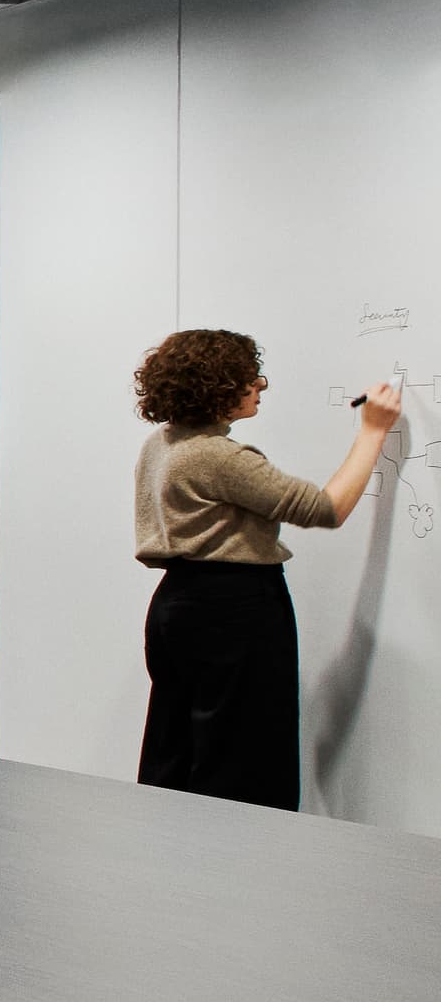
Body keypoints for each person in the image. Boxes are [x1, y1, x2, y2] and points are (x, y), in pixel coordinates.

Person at [130, 330, 405, 808]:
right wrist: (373, 431)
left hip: (178, 604)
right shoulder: (218, 457)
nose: (260, 384)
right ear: (216, 387)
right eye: (247, 377)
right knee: (242, 761)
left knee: (178, 751)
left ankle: (176, 869)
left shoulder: (164, 442)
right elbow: (326, 509)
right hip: (233, 609)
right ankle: (238, 874)